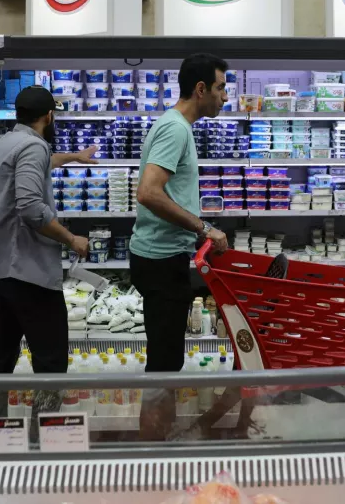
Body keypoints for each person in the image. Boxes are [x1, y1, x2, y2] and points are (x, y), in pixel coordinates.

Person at [130, 53, 229, 436]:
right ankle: (153, 445)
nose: (224, 97)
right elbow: (148, 193)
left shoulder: (176, 126)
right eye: (220, 88)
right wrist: (203, 227)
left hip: (160, 257)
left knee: (165, 357)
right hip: (159, 261)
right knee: (163, 363)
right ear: (200, 88)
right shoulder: (175, 129)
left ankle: (157, 438)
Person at [0, 86, 97, 375]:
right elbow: (31, 208)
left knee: (2, 356)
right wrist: (71, 239)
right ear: (49, 116)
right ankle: (46, 421)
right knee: (51, 360)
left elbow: (41, 163)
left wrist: (74, 156)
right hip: (28, 272)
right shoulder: (33, 147)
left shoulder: (4, 143)